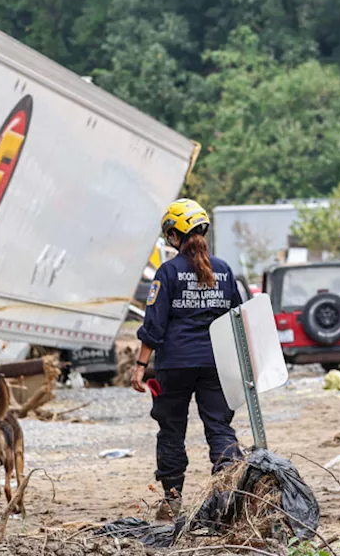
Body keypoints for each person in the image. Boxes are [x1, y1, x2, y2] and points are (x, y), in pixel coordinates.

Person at [132, 198, 243, 519]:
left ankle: (172, 502)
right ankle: (227, 499)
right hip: (216, 365)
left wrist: (140, 366)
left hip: (174, 366)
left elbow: (153, 324)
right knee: (219, 428)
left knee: (171, 430)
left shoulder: (167, 272)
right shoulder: (224, 271)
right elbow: (238, 318)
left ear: (176, 235)